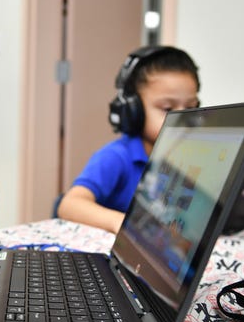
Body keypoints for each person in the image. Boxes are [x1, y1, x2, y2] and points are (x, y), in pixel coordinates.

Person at [57, 46, 200, 233]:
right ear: (134, 111)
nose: (182, 119)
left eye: (191, 108)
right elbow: (69, 204)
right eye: (168, 108)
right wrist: (121, 222)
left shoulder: (186, 158)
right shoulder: (116, 157)